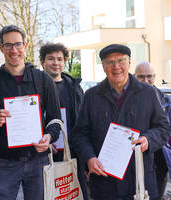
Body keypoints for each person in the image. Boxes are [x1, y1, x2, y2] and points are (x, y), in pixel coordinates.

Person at [0, 25, 61, 200]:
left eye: (18, 45)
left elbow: (55, 120)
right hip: (5, 162)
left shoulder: (43, 80)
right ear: (1, 48)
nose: (14, 50)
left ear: (26, 46)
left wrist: (49, 137)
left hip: (38, 160)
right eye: (8, 45)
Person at [73, 44, 171, 200]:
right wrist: (89, 158)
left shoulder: (149, 93)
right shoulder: (91, 96)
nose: (116, 66)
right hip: (105, 182)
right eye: (110, 62)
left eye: (121, 60)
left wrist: (148, 140)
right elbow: (80, 135)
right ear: (103, 67)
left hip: (140, 181)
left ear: (129, 62)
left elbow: (163, 128)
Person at [39, 42, 88, 199]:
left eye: (60, 59)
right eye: (51, 59)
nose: (56, 63)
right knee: (49, 194)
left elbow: (82, 120)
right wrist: (45, 137)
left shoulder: (74, 87)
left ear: (65, 62)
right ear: (42, 62)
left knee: (75, 193)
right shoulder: (35, 86)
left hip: (72, 151)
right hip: (45, 152)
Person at [134, 61, 170, 200]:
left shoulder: (166, 100)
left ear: (155, 77)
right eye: (141, 77)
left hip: (161, 158)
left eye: (149, 76)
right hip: (136, 156)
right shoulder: (127, 101)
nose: (146, 80)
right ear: (134, 76)